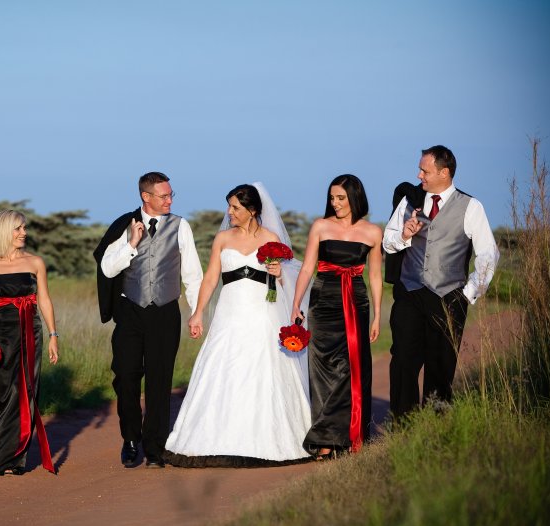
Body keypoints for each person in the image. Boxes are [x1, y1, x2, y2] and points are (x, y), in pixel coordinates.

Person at [164, 183, 312, 466]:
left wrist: (279, 273)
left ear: (252, 210)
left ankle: (271, 439)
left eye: (235, 207)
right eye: (229, 206)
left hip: (263, 313)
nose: (229, 212)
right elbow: (211, 278)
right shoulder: (222, 238)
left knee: (264, 369)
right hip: (229, 313)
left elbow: (287, 280)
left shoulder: (271, 238)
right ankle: (212, 438)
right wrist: (198, 313)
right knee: (223, 366)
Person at [93, 171, 203, 468]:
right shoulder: (124, 225)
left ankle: (155, 447)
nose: (169, 201)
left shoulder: (181, 226)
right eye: (164, 196)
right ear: (146, 196)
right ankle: (130, 438)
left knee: (159, 380)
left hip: (165, 312)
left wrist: (196, 312)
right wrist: (131, 244)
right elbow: (107, 268)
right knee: (125, 376)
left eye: (171, 195)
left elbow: (192, 274)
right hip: (130, 312)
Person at [384, 145, 499, 419]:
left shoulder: (470, 206)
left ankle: (436, 426)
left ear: (444, 173)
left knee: (441, 367)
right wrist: (404, 235)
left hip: (449, 298)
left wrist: (468, 293)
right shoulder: (409, 200)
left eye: (425, 171)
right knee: (402, 363)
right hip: (410, 294)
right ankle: (403, 427)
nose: (419, 175)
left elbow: (488, 253)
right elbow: (388, 243)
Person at [291, 174, 383, 459]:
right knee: (321, 368)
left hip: (355, 303)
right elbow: (308, 267)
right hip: (323, 301)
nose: (335, 203)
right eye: (332, 198)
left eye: (341, 198)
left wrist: (377, 315)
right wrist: (296, 303)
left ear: (355, 197)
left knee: (350, 369)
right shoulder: (320, 226)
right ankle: (326, 437)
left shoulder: (373, 232)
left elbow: (375, 276)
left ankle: (341, 437)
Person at [0, 210, 59, 476]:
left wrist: (53, 335)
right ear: (4, 231)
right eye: (18, 228)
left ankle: (14, 459)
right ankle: (2, 454)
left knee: (25, 391)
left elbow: (44, 299)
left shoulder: (36, 262)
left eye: (24, 228)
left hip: (30, 332)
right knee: (1, 393)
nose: (24, 232)